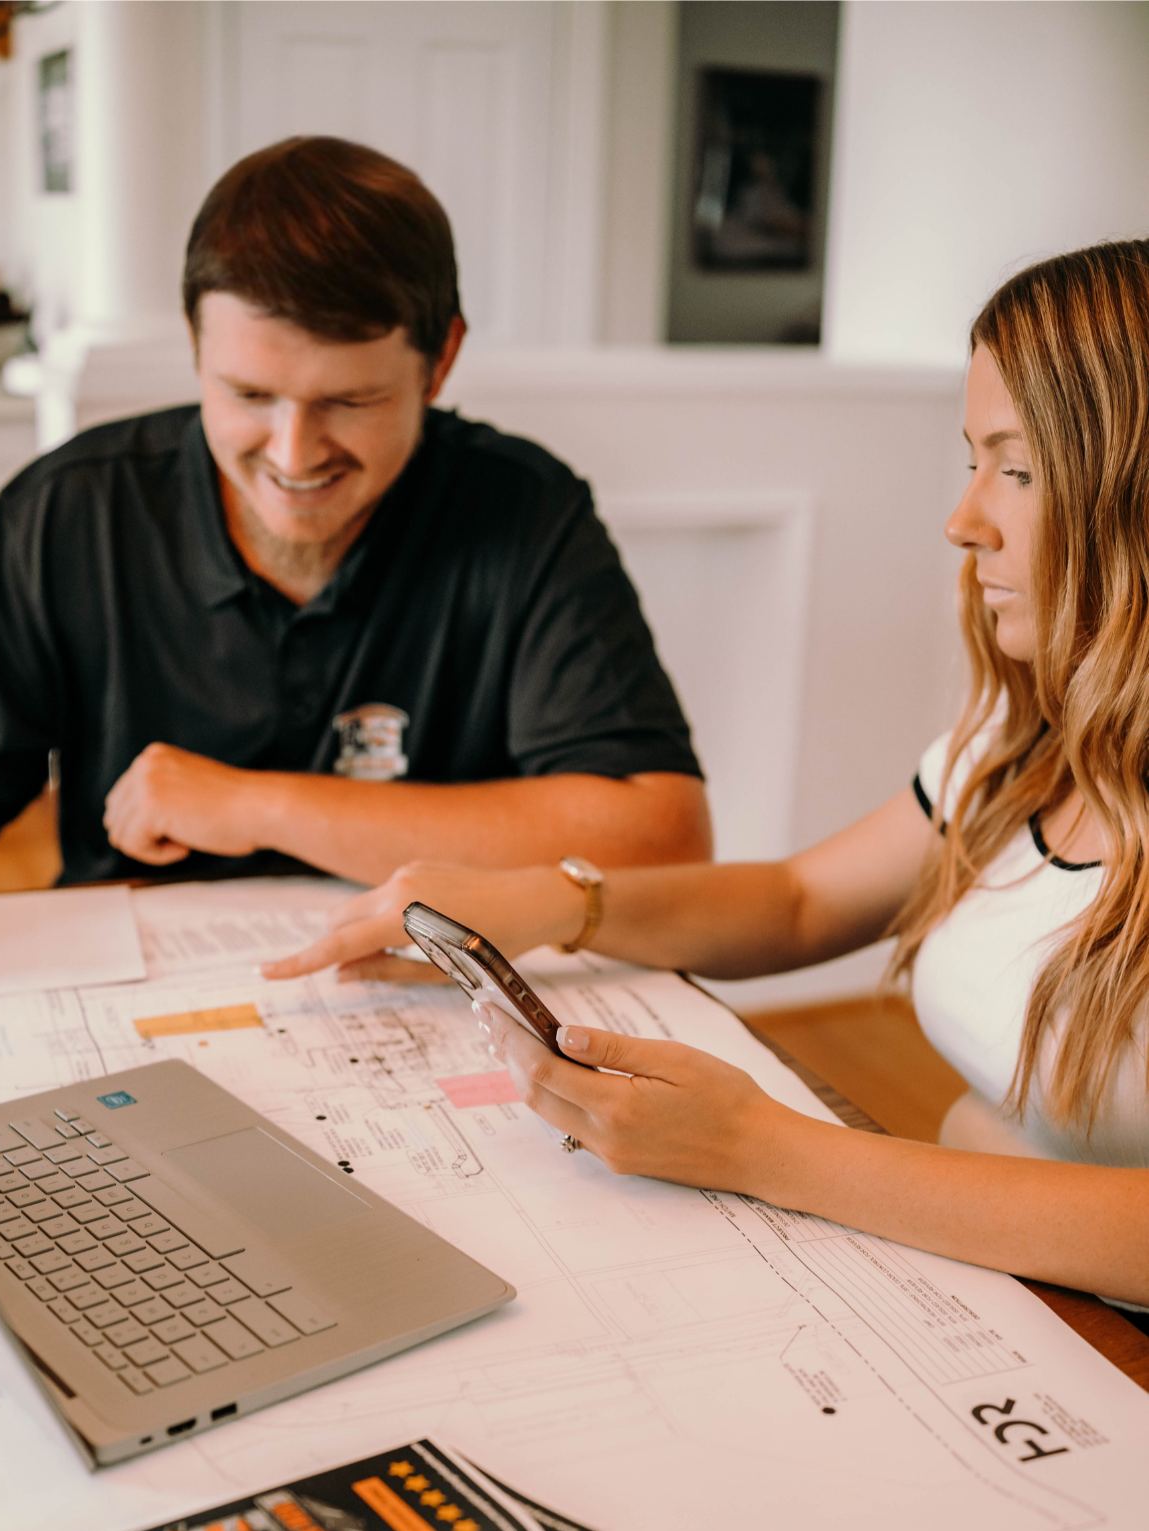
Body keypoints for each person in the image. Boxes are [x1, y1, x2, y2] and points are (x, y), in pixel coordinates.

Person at [264, 238, 1149, 1315]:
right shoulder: (1027, 744)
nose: (965, 520)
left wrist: (766, 1148)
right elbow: (800, 897)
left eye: (1016, 468)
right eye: (972, 461)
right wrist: (549, 900)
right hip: (992, 1297)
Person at [0, 136, 709, 969]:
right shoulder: (70, 507)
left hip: (425, 981)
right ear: (193, 347)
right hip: (130, 990)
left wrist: (255, 805)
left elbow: (660, 840)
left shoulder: (522, 510)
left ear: (440, 361)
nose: (294, 454)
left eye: (350, 401)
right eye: (249, 394)